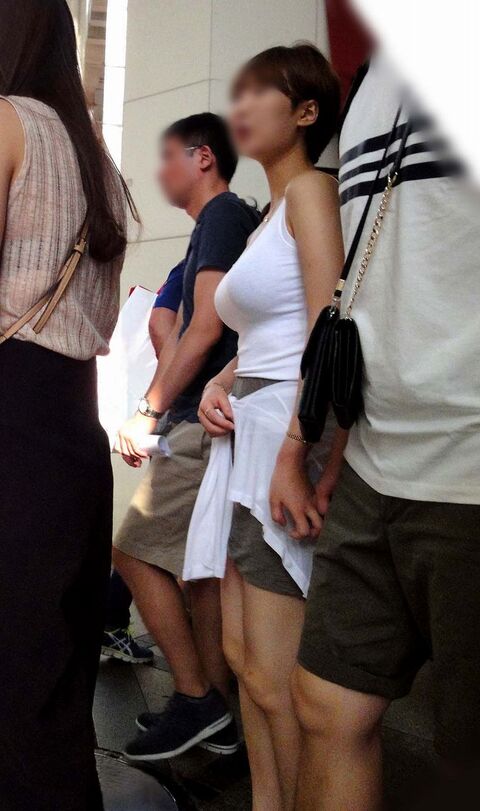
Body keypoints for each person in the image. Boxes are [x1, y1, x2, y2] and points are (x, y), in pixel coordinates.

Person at [293, 51, 480, 811]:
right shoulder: (372, 79)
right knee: (325, 705)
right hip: (372, 461)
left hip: (469, 465)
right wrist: (334, 445)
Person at [195, 44, 343, 810]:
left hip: (282, 436)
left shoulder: (313, 191)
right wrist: (220, 381)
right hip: (247, 435)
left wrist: (299, 445)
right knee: (243, 656)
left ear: (307, 112)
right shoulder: (265, 218)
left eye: (261, 92)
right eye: (239, 92)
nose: (242, 106)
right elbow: (262, 334)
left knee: (276, 670)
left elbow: (327, 327)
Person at [0, 0, 137, 808]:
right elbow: (104, 318)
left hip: (10, 418)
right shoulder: (98, 163)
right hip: (72, 427)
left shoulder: (6, 124)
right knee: (52, 686)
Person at [112, 113, 260, 760]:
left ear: (204, 158)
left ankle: (198, 698)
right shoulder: (210, 228)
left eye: (170, 155)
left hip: (204, 419)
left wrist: (148, 409)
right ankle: (214, 712)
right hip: (196, 419)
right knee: (201, 575)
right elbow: (169, 325)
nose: (161, 169)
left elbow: (203, 329)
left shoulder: (224, 215)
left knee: (134, 550)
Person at [102, 262, 185, 665]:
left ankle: (111, 618)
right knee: (145, 540)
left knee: (152, 535)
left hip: (186, 414)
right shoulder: (212, 249)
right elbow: (159, 324)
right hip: (191, 414)